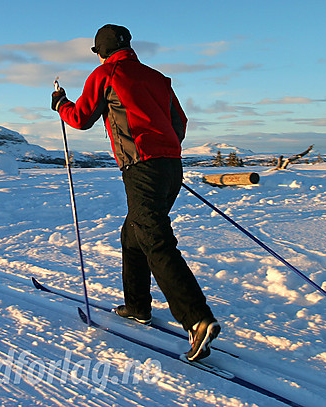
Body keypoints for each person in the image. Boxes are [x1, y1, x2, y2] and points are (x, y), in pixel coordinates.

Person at [51, 24, 220, 361]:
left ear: (101, 50)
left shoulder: (105, 73)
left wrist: (60, 104)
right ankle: (137, 306)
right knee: (133, 234)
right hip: (170, 165)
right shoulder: (158, 78)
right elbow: (179, 123)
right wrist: (166, 151)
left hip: (142, 165)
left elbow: (82, 118)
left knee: (153, 237)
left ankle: (197, 319)